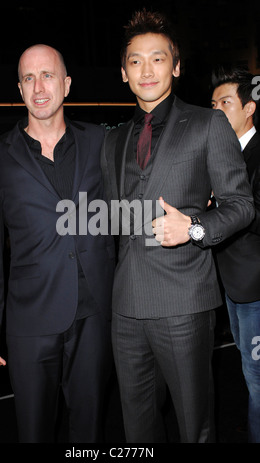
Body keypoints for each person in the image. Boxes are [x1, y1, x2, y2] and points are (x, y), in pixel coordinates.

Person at [101, 9, 255, 443]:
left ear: (177, 66)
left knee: (195, 426)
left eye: (157, 58)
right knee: (137, 428)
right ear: (124, 72)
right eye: (135, 61)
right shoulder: (112, 140)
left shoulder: (209, 125)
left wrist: (194, 228)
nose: (146, 69)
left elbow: (242, 205)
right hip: (126, 307)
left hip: (184, 303)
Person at [0, 44, 115, 443]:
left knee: (90, 429)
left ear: (66, 84)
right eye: (28, 78)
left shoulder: (99, 143)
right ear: (19, 89)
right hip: (30, 319)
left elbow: (132, 202)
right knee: (34, 430)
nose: (38, 86)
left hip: (94, 315)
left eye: (47, 75)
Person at [211, 67, 260, 443]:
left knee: (256, 373)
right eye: (213, 104)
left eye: (225, 103)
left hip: (255, 285)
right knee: (248, 369)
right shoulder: (223, 154)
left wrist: (224, 211)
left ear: (249, 108)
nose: (217, 111)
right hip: (232, 284)